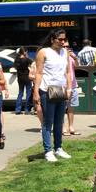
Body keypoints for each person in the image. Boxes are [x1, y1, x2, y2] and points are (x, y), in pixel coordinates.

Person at [33, 29, 75, 161]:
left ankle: (58, 148)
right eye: (60, 39)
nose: (63, 42)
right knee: (48, 121)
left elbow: (68, 72)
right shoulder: (44, 52)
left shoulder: (65, 53)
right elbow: (38, 73)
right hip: (47, 90)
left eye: (64, 39)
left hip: (61, 90)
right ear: (52, 39)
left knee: (59, 121)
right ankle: (48, 150)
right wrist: (36, 92)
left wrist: (69, 88)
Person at [13, 48, 34, 114]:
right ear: (24, 52)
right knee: (28, 93)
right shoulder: (27, 59)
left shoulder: (17, 60)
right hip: (27, 78)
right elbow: (33, 63)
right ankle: (27, 109)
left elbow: (15, 67)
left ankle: (18, 109)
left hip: (20, 78)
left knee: (20, 93)